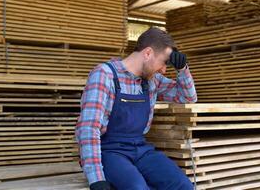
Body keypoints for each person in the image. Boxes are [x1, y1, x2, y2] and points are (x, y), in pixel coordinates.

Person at [76, 27, 197, 190]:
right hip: (110, 152)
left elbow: (187, 97)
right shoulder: (105, 75)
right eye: (164, 62)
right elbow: (88, 128)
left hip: (140, 148)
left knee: (182, 186)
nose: (163, 69)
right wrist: (96, 179)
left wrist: (182, 69)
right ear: (147, 53)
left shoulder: (153, 80)